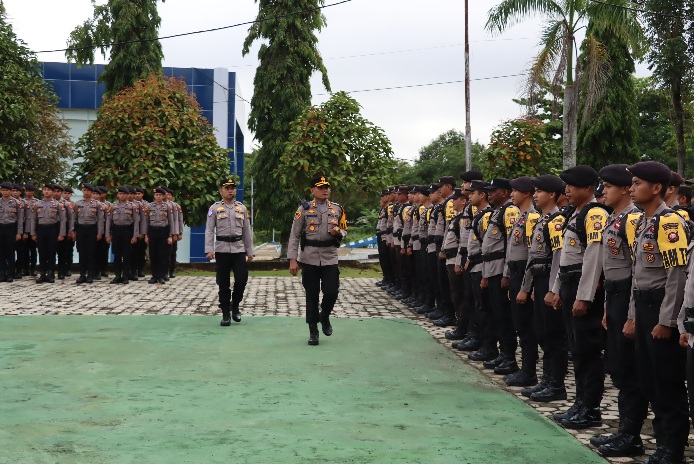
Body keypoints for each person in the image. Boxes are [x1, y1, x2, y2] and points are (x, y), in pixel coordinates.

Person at [627, 161, 689, 464]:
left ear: (656, 188)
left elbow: (677, 276)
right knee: (649, 379)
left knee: (667, 381)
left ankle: (672, 448)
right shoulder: (644, 221)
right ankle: (662, 442)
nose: (631, 188)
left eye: (637, 183)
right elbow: (637, 273)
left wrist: (668, 321)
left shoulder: (669, 222)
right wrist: (632, 314)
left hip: (660, 309)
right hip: (644, 307)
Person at [587, 165, 648, 457]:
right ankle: (625, 430)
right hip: (614, 296)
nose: (604, 191)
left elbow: (638, 270)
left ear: (625, 189)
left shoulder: (633, 219)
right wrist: (607, 308)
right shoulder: (615, 218)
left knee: (628, 367)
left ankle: (631, 435)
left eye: (609, 186)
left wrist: (631, 314)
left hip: (627, 296)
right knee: (618, 365)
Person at [551, 166, 608, 429]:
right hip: (570, 283)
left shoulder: (595, 213)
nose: (567, 191)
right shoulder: (576, 213)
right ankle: (580, 402)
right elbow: (566, 258)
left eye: (572, 186)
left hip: (583, 288)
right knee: (577, 349)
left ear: (588, 188)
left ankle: (591, 408)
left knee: (588, 350)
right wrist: (557, 289)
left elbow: (593, 258)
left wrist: (584, 296)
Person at [522, 175, 568, 402]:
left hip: (550, 280)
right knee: (542, 332)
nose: (535, 195)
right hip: (540, 280)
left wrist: (553, 289)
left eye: (539, 191)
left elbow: (559, 257)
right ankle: (547, 379)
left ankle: (556, 384)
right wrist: (528, 286)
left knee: (553, 334)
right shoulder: (543, 220)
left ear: (552, 194)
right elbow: (534, 257)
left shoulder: (557, 221)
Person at [288, 175, 348, 346]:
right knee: (312, 295)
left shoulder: (337, 209)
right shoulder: (303, 209)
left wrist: (339, 232)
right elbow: (294, 235)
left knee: (331, 291)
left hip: (330, 257)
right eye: (321, 187)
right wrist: (293, 259)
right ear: (312, 190)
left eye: (326, 187)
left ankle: (325, 316)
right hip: (309, 257)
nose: (325, 190)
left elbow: (345, 230)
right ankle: (313, 330)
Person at [504, 176, 540, 387]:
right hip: (516, 273)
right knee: (520, 324)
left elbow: (531, 255)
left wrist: (526, 287)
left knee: (526, 326)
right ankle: (524, 369)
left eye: (515, 191)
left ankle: (529, 372)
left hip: (525, 274)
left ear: (526, 193)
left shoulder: (532, 218)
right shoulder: (521, 216)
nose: (511, 195)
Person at [481, 178, 520, 376]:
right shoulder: (498, 211)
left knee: (504, 317)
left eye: (493, 190)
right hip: (491, 268)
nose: (489, 193)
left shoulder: (510, 211)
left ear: (504, 192)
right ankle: (502, 353)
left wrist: (506, 273)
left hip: (500, 269)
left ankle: (509, 357)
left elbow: (511, 245)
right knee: (496, 314)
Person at [205, 178, 254, 326]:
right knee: (223, 282)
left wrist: (250, 250)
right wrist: (209, 249)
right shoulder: (214, 208)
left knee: (241, 279)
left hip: (238, 249)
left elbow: (247, 231)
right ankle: (226, 313)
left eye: (232, 188)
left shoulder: (242, 208)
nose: (230, 190)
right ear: (221, 190)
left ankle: (235, 305)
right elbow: (209, 230)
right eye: (227, 188)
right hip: (222, 249)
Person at [29, 184, 67, 283]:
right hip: (41, 229)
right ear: (42, 191)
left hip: (52, 229)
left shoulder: (58, 205)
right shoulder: (37, 204)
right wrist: (33, 233)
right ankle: (42, 274)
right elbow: (33, 219)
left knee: (51, 252)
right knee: (41, 252)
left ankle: (51, 274)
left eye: (49, 190)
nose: (46, 191)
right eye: (45, 189)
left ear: (53, 192)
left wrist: (61, 234)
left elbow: (63, 219)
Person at [71, 183, 105, 284]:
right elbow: (74, 219)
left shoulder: (97, 204)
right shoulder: (78, 204)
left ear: (92, 192)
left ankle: (90, 275)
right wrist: (73, 231)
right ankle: (82, 275)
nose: (86, 192)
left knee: (91, 252)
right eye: (84, 190)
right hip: (80, 229)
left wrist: (99, 233)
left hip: (92, 229)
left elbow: (100, 220)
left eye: (88, 191)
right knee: (82, 252)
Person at [106, 186, 140, 284]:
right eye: (120, 194)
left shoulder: (133, 206)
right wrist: (108, 234)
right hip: (116, 231)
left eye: (124, 194)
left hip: (127, 231)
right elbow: (109, 221)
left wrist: (135, 235)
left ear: (127, 195)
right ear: (118, 195)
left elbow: (136, 221)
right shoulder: (113, 206)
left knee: (127, 254)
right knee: (117, 254)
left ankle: (125, 276)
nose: (122, 196)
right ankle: (117, 276)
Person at [144, 187, 174, 284]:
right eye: (157, 195)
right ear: (154, 196)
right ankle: (154, 276)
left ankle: (161, 276)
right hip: (152, 231)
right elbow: (146, 222)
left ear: (163, 196)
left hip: (163, 232)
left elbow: (171, 222)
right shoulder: (149, 206)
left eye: (160, 195)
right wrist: (146, 235)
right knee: (153, 254)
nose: (158, 197)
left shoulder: (167, 207)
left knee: (162, 254)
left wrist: (170, 236)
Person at [0, 182, 24, 282]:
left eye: (7, 190)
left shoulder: (17, 203)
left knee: (10, 252)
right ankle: (2, 274)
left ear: (10, 191)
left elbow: (20, 219)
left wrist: (19, 232)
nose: (5, 192)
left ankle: (10, 274)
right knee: (1, 252)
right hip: (1, 228)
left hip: (11, 228)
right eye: (3, 190)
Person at [21, 183, 38, 277]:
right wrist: (24, 232)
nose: (28, 192)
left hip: (34, 229)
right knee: (24, 250)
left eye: (30, 191)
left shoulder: (38, 202)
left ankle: (33, 269)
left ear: (33, 192)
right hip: (25, 229)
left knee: (33, 251)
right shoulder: (21, 202)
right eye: (26, 191)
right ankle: (25, 269)